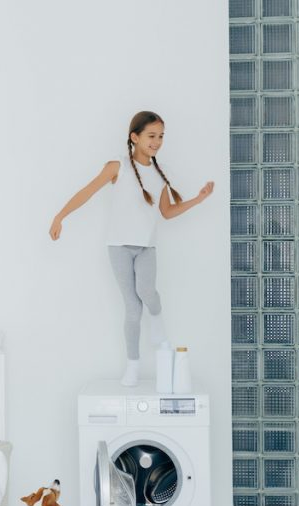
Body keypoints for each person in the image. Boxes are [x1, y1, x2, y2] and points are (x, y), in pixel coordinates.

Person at [49, 110, 215, 386]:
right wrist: (60, 216)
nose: (157, 141)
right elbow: (87, 191)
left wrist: (197, 200)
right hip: (118, 247)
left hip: (147, 247)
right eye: (151, 136)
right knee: (132, 307)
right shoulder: (118, 167)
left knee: (147, 292)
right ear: (134, 137)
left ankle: (158, 320)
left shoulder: (162, 175)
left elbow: (167, 212)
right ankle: (133, 366)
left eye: (161, 136)